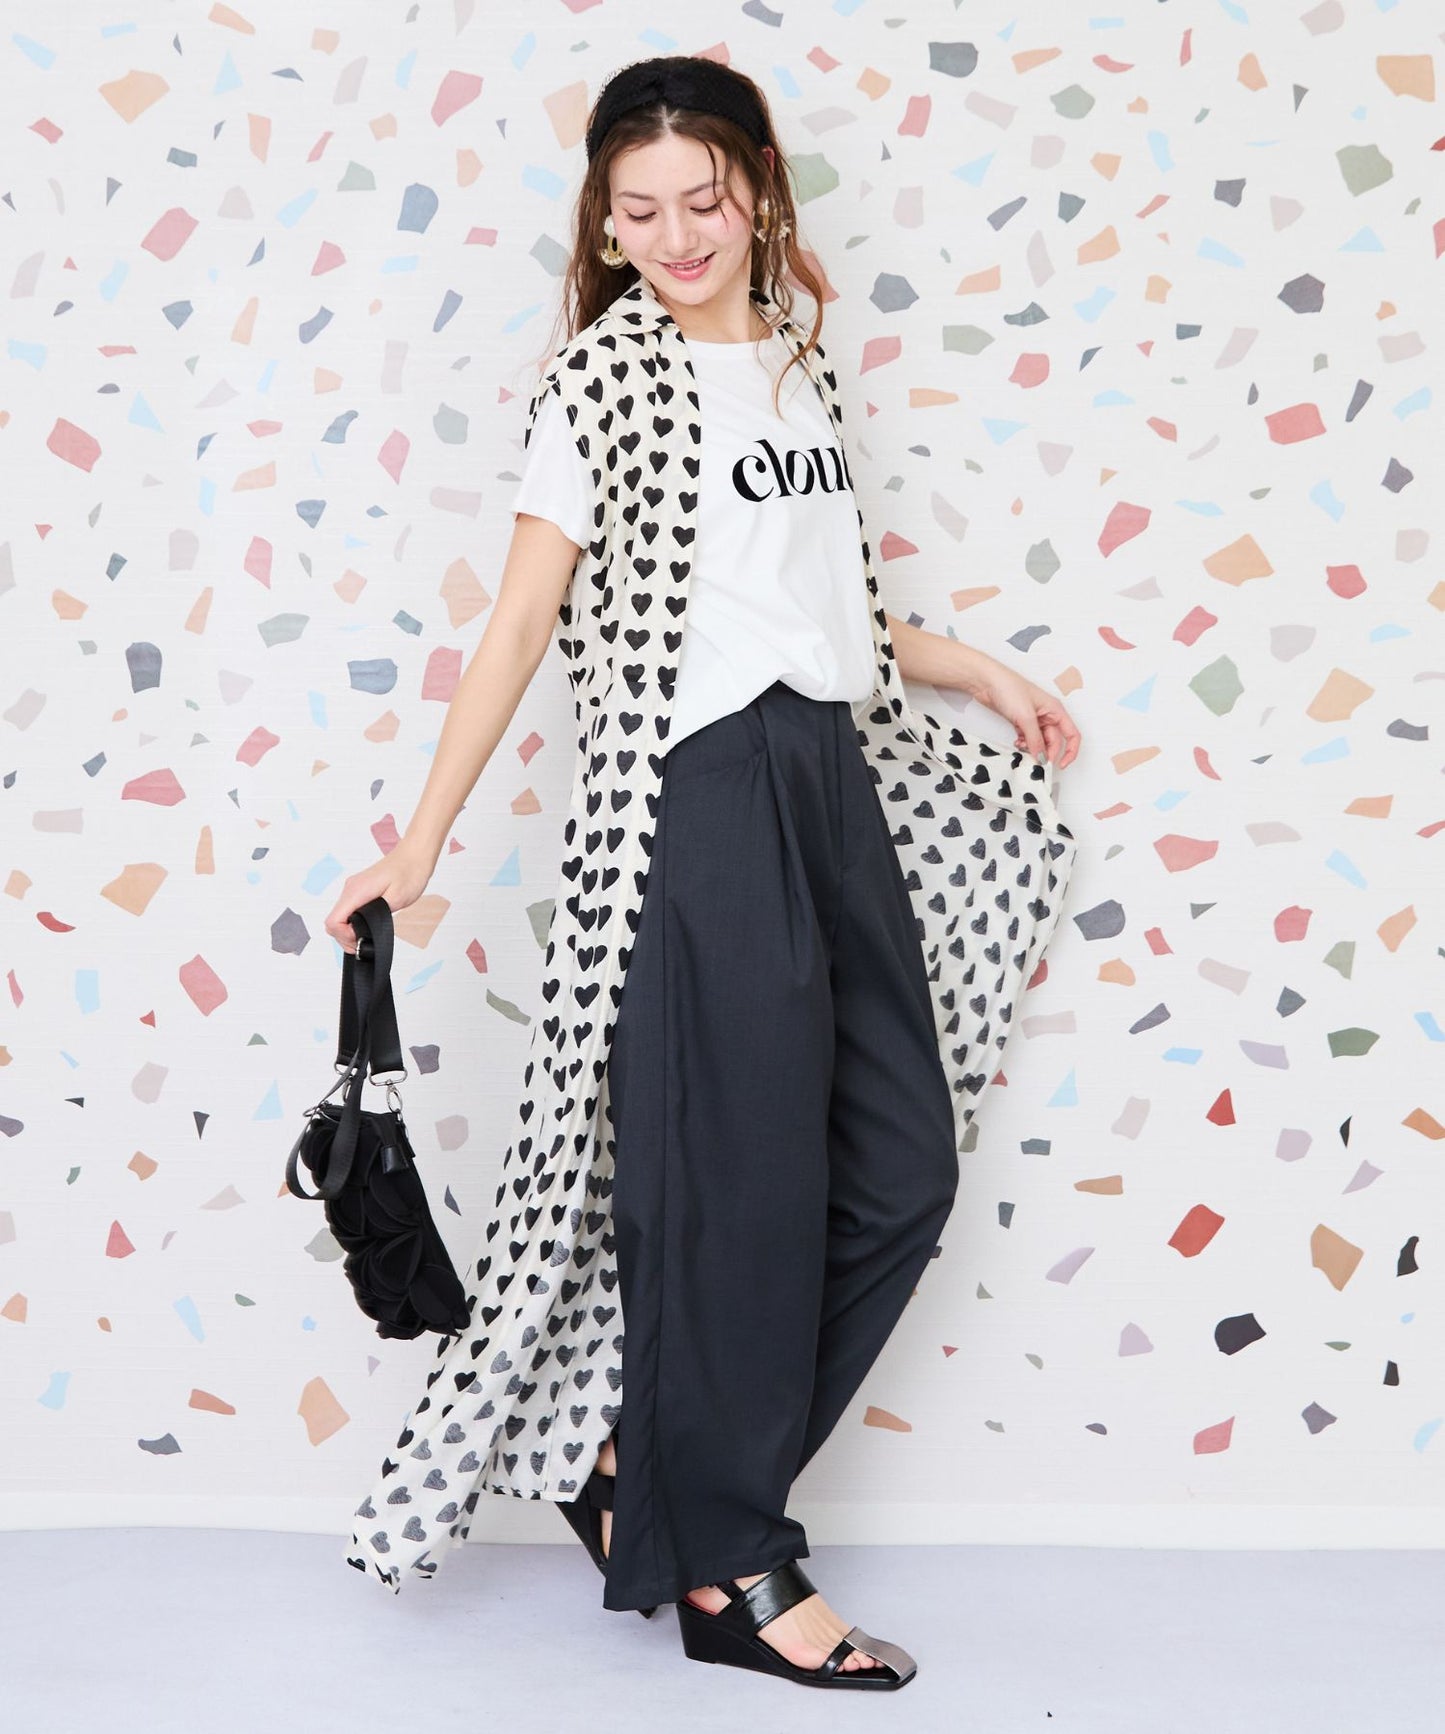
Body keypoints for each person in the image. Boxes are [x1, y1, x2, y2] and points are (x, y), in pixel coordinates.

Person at [328, 55, 1081, 1692]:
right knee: (743, 1197)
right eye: (639, 210)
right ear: (603, 223)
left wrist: (969, 667)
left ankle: (654, 1478)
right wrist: (423, 834)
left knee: (900, 1171)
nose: (675, 236)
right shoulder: (604, 382)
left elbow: (822, 605)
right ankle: (731, 1563)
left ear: (757, 196)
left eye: (703, 201)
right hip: (703, 797)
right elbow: (522, 619)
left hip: (828, 778)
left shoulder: (798, 365)